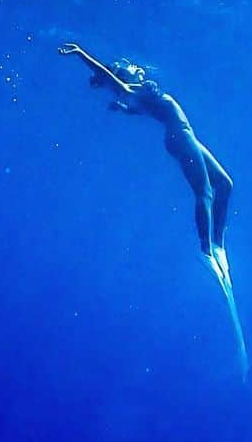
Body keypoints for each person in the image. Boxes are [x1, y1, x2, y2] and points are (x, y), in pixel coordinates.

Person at [57, 43, 235, 287]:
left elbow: (146, 109)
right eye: (126, 67)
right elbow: (105, 74)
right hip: (180, 138)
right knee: (204, 192)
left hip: (187, 137)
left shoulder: (141, 93)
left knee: (224, 184)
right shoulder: (130, 89)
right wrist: (80, 53)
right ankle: (205, 251)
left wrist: (125, 109)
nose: (134, 66)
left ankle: (217, 245)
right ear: (123, 76)